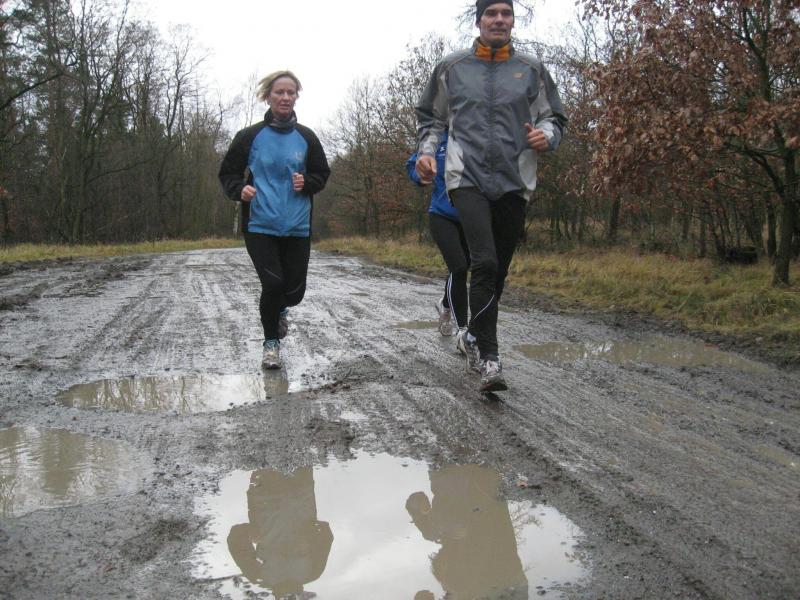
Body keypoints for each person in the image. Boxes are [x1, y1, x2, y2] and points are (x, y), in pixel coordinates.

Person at [415, 0, 567, 392]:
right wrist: (427, 153)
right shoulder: (451, 68)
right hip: (465, 177)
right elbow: (431, 118)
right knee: (482, 262)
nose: (499, 20)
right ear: (478, 20)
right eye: (491, 13)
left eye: (506, 13)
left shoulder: (531, 69)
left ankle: (472, 336)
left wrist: (547, 136)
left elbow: (554, 117)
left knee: (498, 271)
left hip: (515, 179)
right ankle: (490, 358)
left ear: (513, 20)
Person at [219, 71, 330, 369]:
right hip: (260, 225)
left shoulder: (306, 137)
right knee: (272, 283)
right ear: (268, 96)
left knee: (294, 292)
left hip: (297, 226)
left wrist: (307, 182)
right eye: (279, 92)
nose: (285, 97)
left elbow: (322, 174)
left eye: (290, 92)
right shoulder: (250, 137)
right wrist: (239, 190)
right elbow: (228, 172)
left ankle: (281, 309)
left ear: (296, 97)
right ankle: (271, 346)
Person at [406, 131, 470, 338]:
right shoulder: (435, 139)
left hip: (470, 217)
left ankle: (445, 305)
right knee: (458, 267)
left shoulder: (476, 133)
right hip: (442, 215)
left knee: (463, 267)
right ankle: (463, 330)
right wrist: (420, 176)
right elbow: (412, 164)